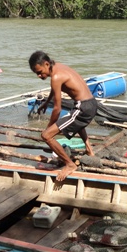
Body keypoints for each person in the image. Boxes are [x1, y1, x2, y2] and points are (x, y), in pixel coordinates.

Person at [29, 51, 97, 181]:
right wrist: (46, 102)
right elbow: (55, 89)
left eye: (39, 72)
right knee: (74, 121)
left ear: (46, 64)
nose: (38, 75)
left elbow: (57, 109)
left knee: (46, 136)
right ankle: (89, 150)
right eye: (36, 73)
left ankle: (70, 165)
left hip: (83, 108)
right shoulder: (58, 67)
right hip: (90, 103)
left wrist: (49, 129)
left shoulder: (56, 77)